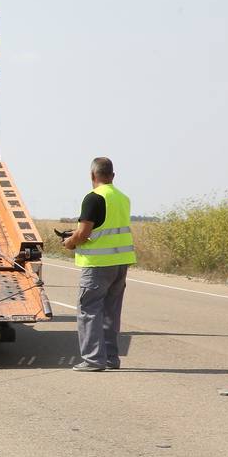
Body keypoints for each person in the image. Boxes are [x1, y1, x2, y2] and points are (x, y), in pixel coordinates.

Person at [61, 157, 137, 371]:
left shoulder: (93, 198)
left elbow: (84, 233)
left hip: (98, 264)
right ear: (112, 176)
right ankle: (111, 358)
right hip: (121, 262)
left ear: (92, 175)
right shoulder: (123, 198)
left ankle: (93, 360)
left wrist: (69, 242)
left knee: (89, 309)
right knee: (111, 312)